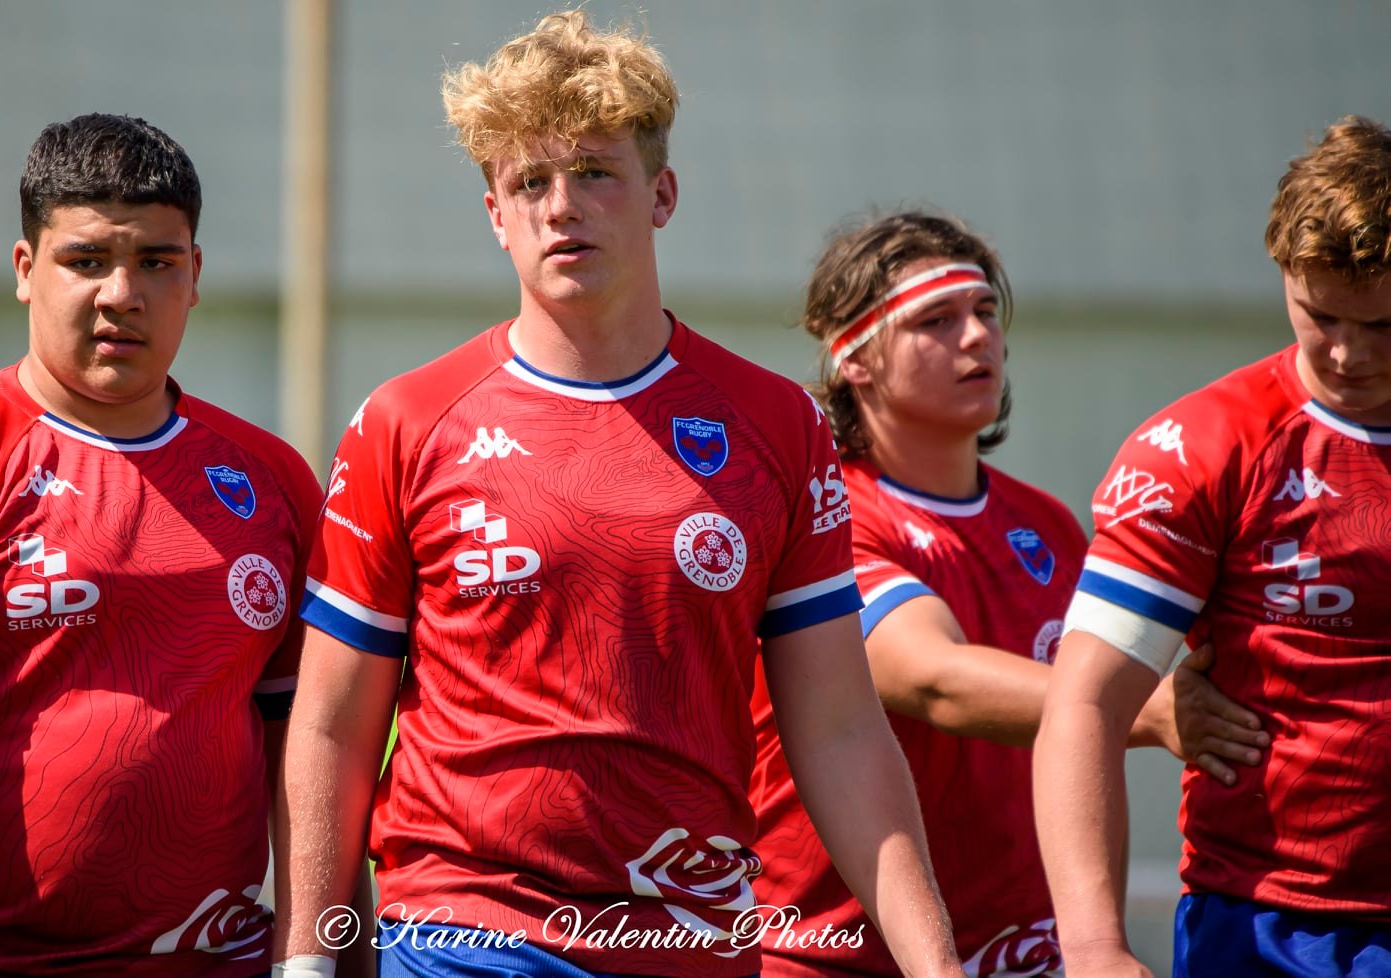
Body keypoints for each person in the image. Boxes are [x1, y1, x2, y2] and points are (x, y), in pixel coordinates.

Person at [274, 12, 964, 978]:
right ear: (495, 215)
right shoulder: (407, 420)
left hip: (688, 938)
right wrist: (307, 961)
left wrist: (935, 966)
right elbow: (332, 727)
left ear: (661, 194)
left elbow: (841, 729)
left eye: (594, 172)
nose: (561, 207)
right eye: (530, 183)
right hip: (468, 932)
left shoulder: (776, 425)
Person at [0, 113, 324, 978]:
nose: (121, 293)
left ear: (195, 275)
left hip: (224, 962)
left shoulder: (272, 478)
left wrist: (321, 960)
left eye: (156, 262)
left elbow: (314, 754)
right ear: (26, 270)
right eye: (86, 260)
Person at [747, 212, 1269, 978]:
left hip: (1025, 957)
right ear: (852, 357)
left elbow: (1083, 753)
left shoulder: (1046, 523)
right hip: (830, 957)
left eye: (985, 310)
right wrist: (1146, 708)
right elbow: (933, 677)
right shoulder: (830, 512)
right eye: (935, 320)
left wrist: (1094, 939)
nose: (976, 337)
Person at [1034, 115, 1391, 978]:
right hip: (1274, 929)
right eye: (1319, 315)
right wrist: (1094, 947)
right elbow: (1084, 705)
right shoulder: (1199, 448)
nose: (1345, 353)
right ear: (1281, 271)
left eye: (1383, 326)